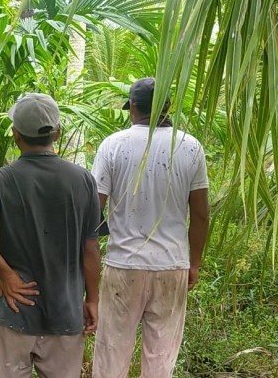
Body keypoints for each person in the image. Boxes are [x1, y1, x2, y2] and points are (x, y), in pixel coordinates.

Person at [0, 93, 102, 378]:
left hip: (14, 311)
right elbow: (91, 248)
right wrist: (92, 300)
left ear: (15, 134)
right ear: (57, 132)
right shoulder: (83, 180)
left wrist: (7, 273)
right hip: (65, 313)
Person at [90, 77, 210, 378]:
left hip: (123, 265)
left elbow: (93, 208)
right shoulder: (190, 147)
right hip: (172, 266)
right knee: (160, 360)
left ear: (133, 106)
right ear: (168, 107)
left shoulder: (113, 145)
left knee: (111, 356)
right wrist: (194, 263)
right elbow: (201, 214)